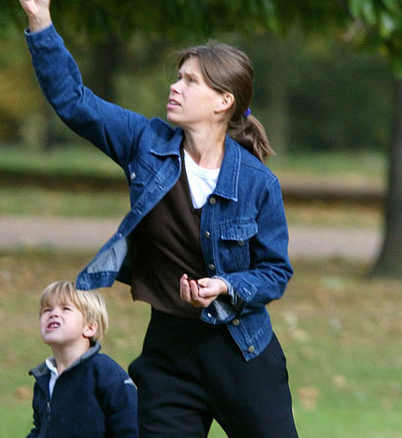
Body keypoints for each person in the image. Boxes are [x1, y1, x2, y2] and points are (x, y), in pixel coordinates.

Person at [19, 1, 298, 436]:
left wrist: (226, 285)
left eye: (190, 81)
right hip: (168, 356)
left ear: (224, 101)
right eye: (178, 76)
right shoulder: (145, 144)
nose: (175, 87)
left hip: (242, 352)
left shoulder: (257, 183)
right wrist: (41, 22)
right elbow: (74, 102)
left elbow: (275, 272)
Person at [27, 280, 138, 438]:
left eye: (66, 308)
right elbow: (40, 430)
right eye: (47, 310)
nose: (53, 313)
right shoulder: (44, 378)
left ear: (90, 327)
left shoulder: (104, 372)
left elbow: (130, 427)